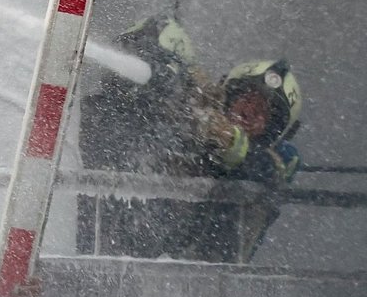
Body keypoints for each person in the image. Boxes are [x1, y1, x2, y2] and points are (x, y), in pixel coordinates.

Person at [80, 16, 303, 185]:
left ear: (271, 131)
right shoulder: (92, 112)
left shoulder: (273, 161)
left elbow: (274, 168)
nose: (250, 112)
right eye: (248, 99)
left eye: (265, 112)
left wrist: (229, 142)